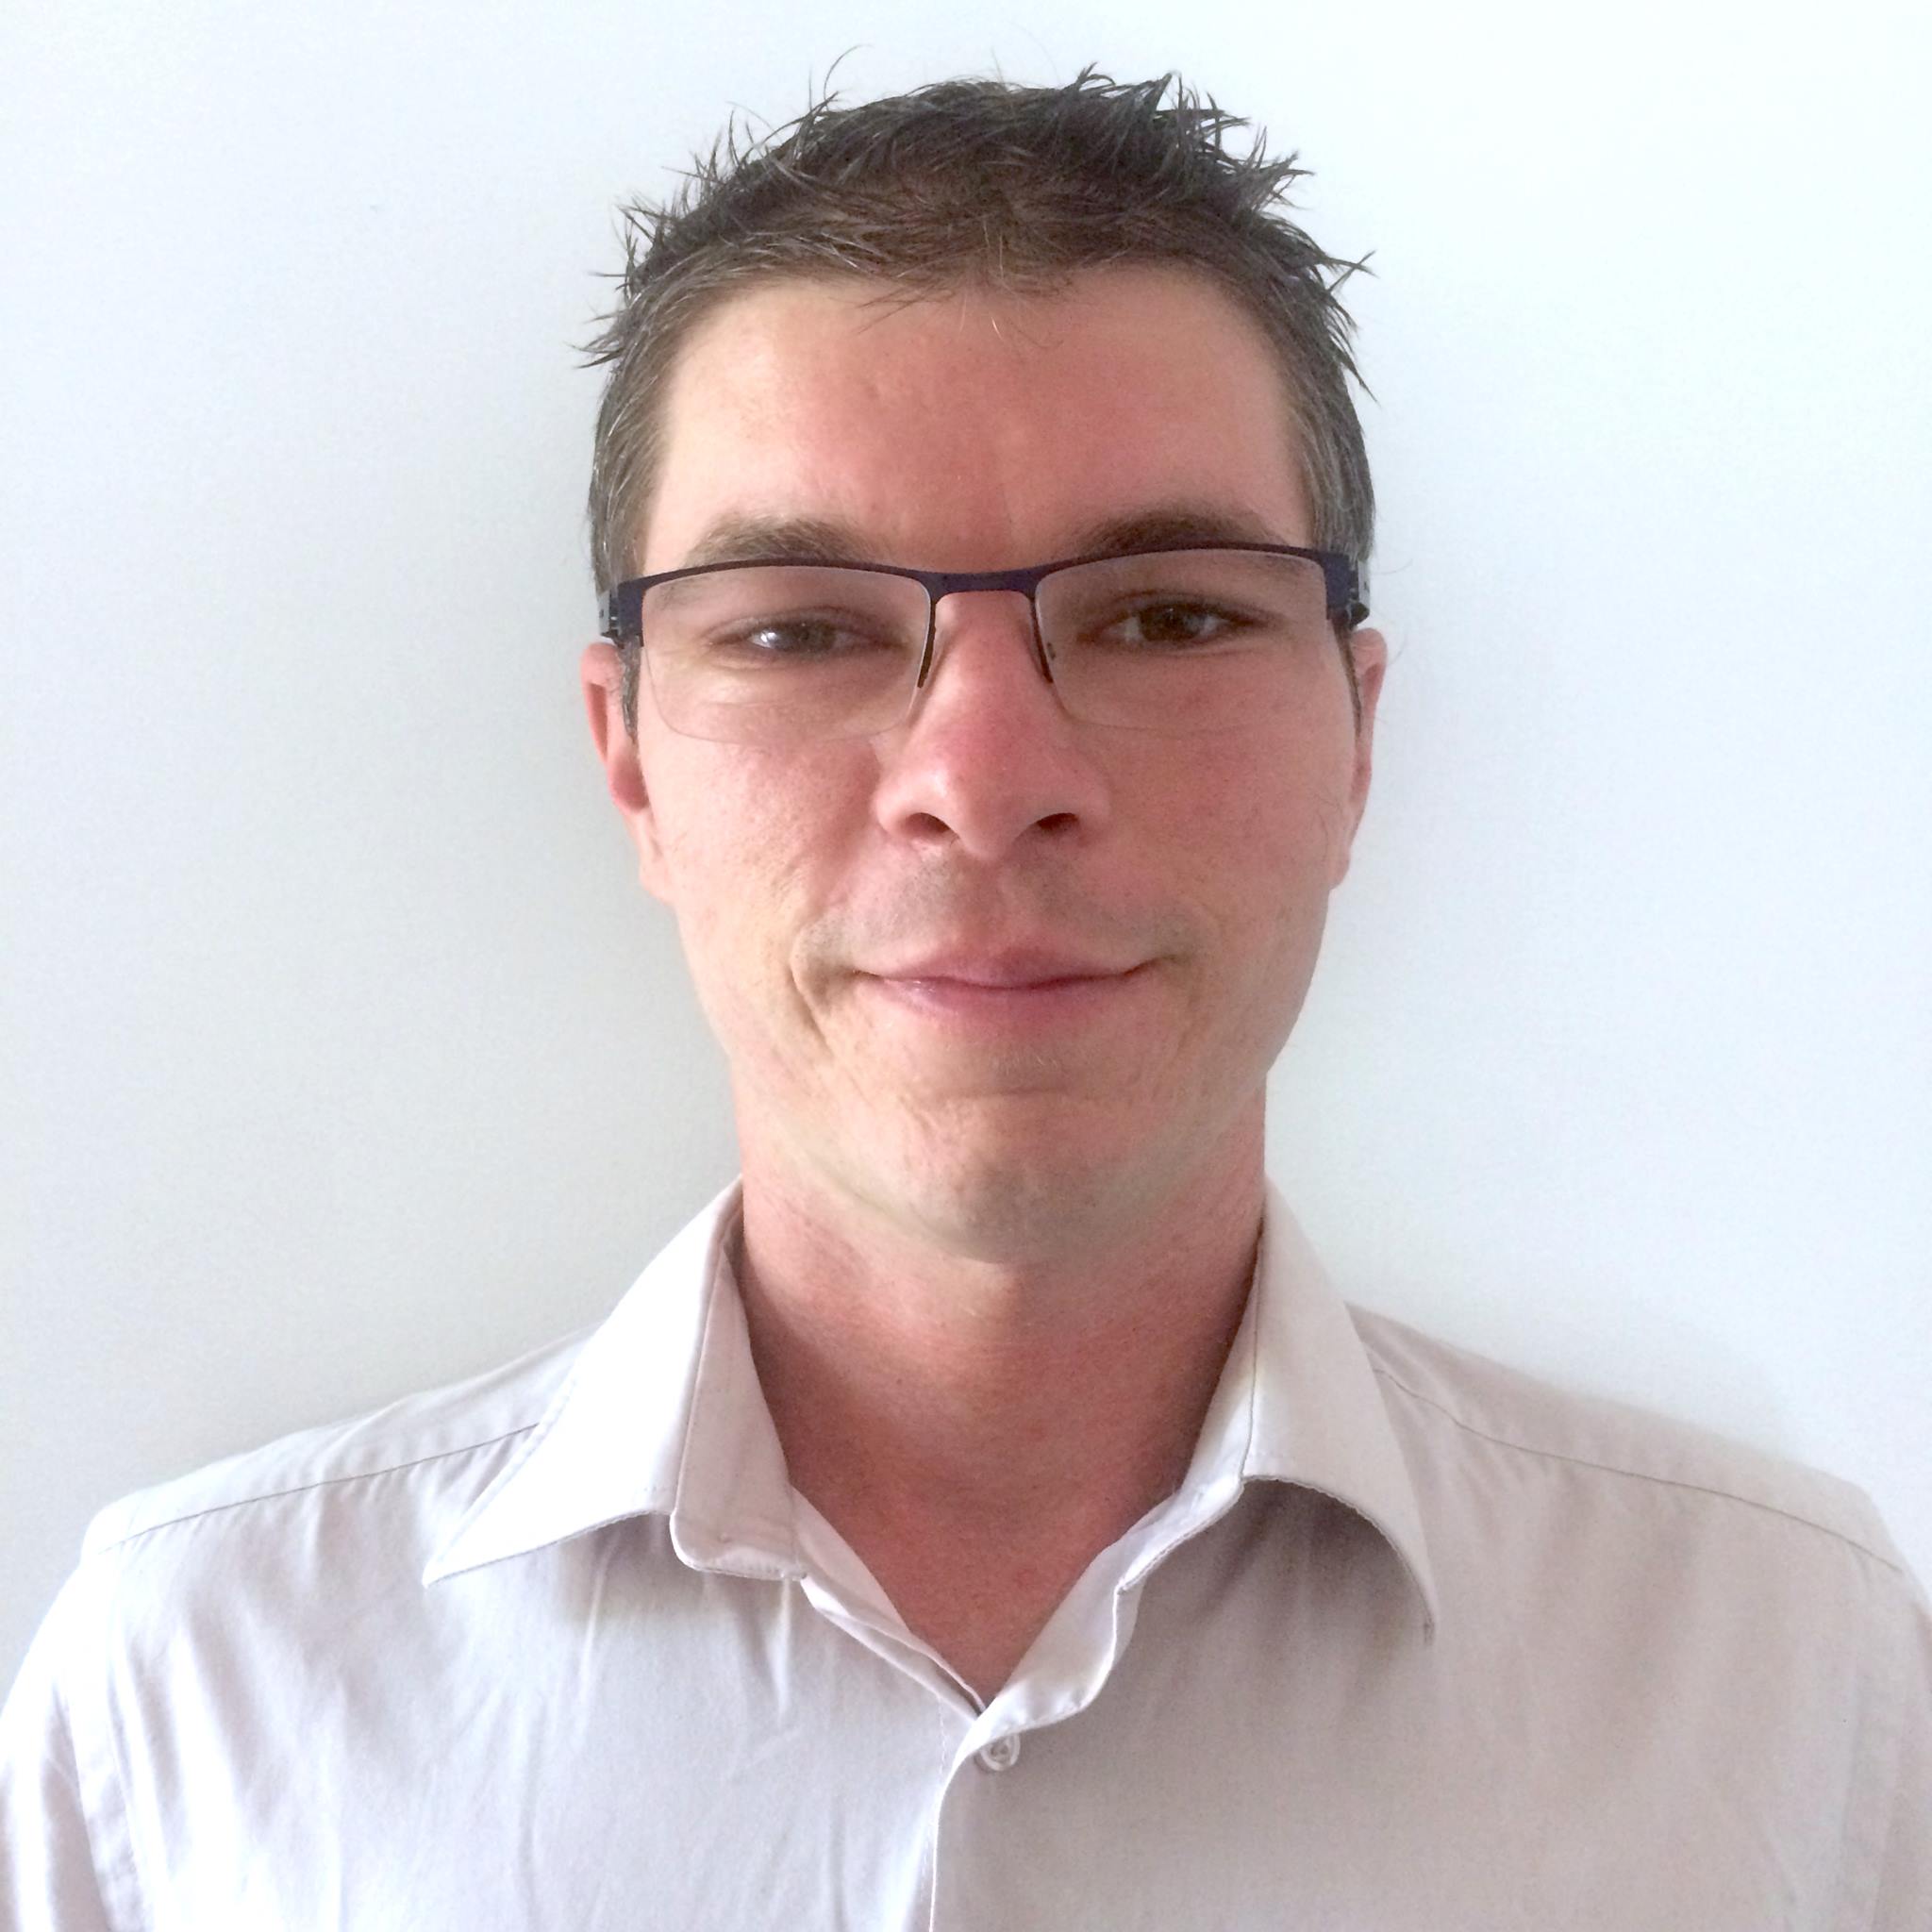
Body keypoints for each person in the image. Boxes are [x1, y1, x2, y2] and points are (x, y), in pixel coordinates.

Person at [3, 68, 1925, 1931]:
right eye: (801, 628)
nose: (985, 777)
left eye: (1167, 614)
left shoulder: (1788, 1678)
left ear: (1354, 738)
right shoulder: (196, 1699)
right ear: (632, 762)